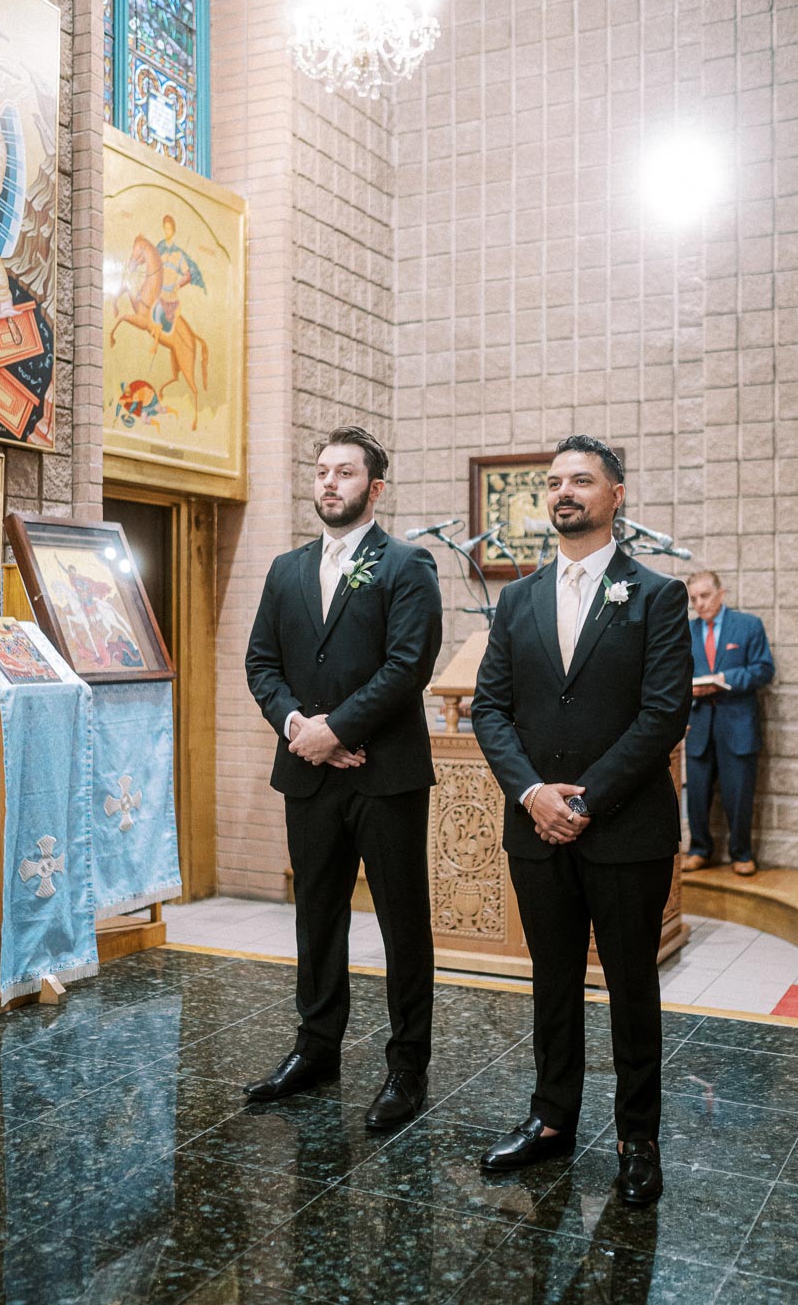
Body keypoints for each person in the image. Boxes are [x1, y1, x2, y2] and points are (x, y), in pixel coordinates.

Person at [471, 435, 692, 1205]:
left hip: (625, 830)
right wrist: (532, 794)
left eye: (583, 480)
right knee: (552, 980)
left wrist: (585, 799)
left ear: (615, 495)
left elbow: (663, 714)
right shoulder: (518, 598)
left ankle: (638, 1139)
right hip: (535, 828)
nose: (565, 491)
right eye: (556, 481)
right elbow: (491, 708)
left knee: (632, 987)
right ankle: (551, 1119)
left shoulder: (657, 596)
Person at [244, 425, 443, 1128]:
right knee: (317, 914)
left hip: (385, 776)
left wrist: (341, 729)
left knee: (402, 923)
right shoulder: (286, 570)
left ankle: (407, 1066)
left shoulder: (407, 565)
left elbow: (407, 666)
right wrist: (303, 730)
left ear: (375, 488)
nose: (329, 482)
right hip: (309, 776)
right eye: (322, 471)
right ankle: (316, 1047)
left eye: (346, 473)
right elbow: (261, 665)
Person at [682, 571, 775, 877]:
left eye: (705, 596)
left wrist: (726, 680)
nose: (699, 603)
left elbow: (763, 670)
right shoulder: (685, 630)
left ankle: (742, 853)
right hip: (698, 725)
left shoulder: (748, 626)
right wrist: (688, 688)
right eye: (693, 598)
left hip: (736, 725)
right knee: (695, 795)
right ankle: (699, 850)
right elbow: (672, 673)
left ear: (721, 593)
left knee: (739, 795)